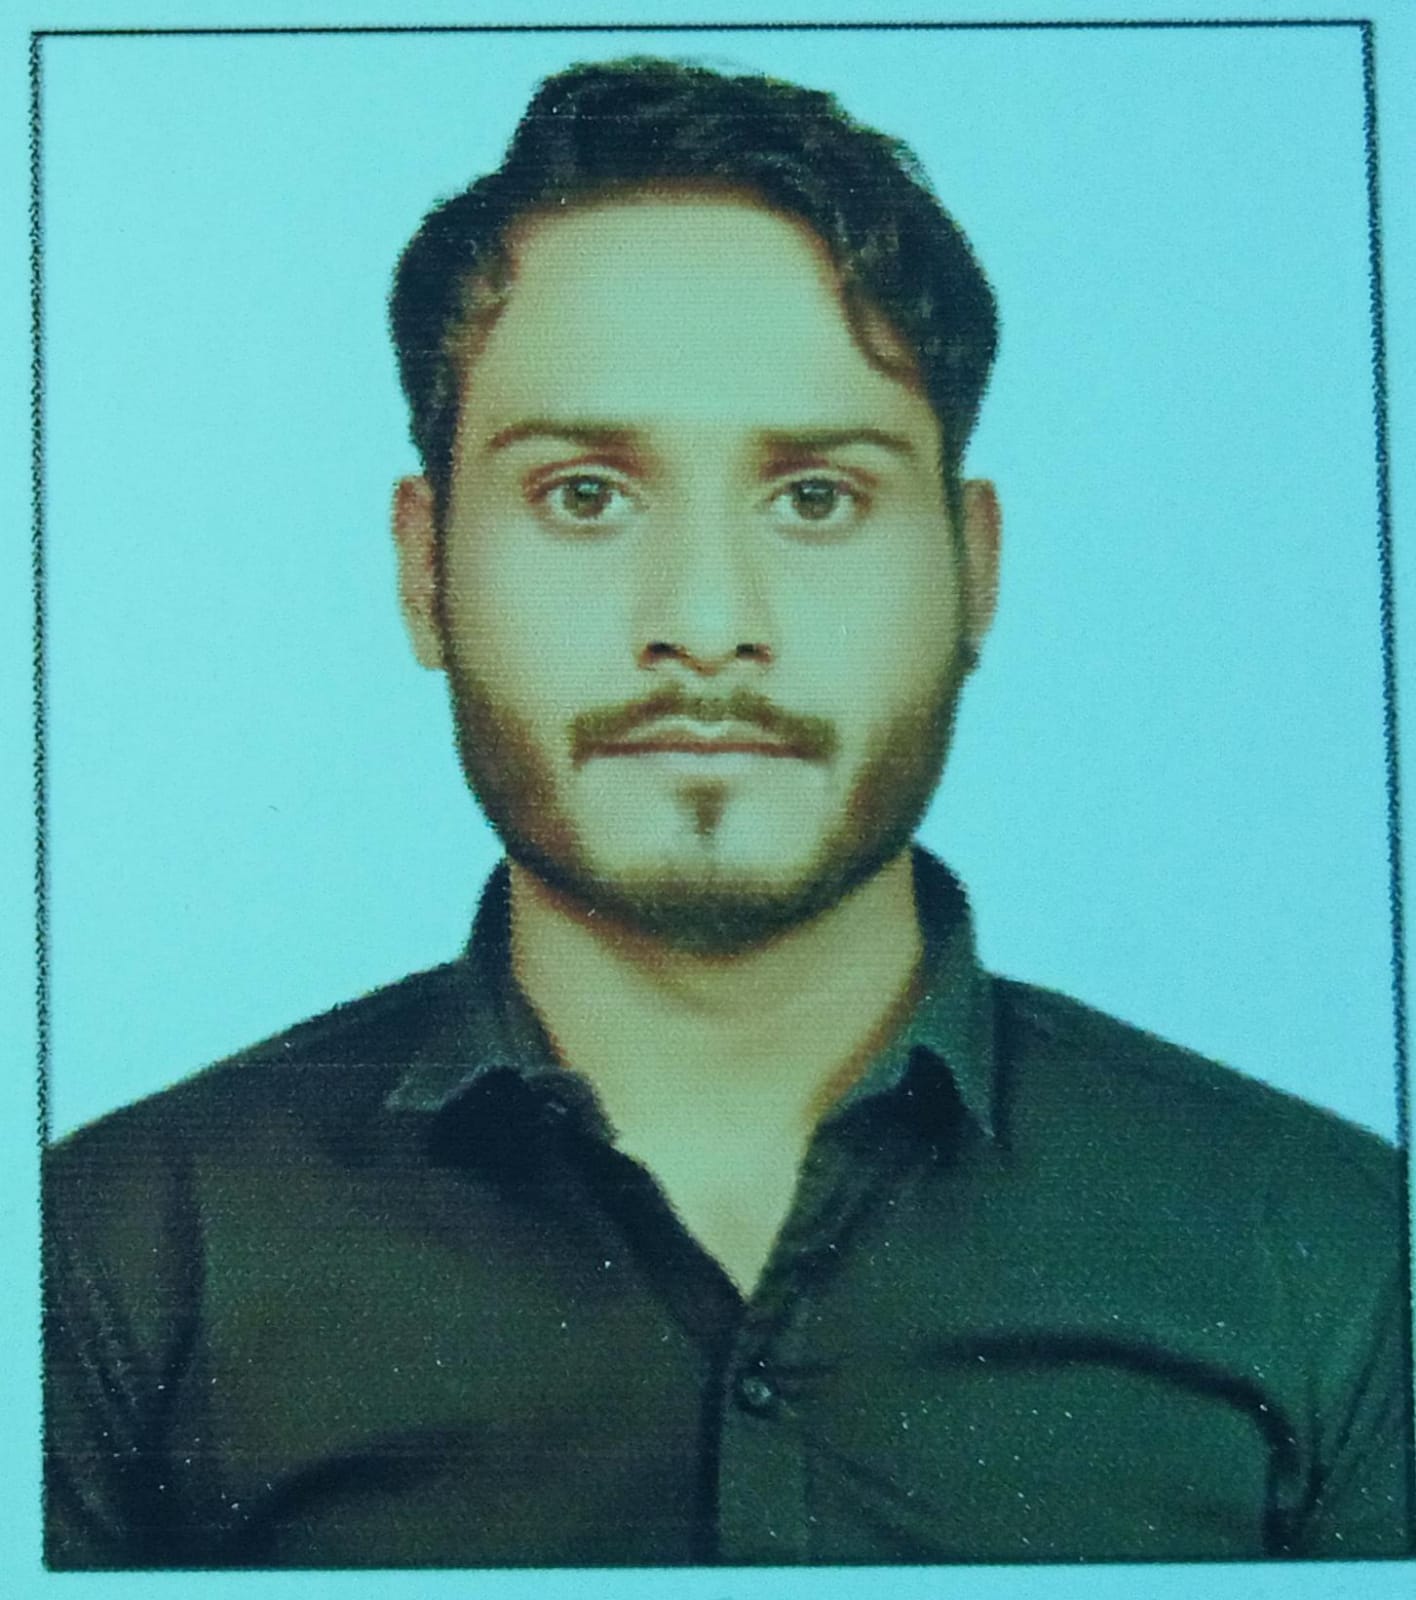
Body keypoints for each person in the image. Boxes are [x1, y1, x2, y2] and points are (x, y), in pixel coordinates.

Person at [42, 56, 1412, 1569]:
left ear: (975, 570)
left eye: (816, 497)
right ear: (424, 569)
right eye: (584, 494)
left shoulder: (1338, 1255)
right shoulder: (108, 1260)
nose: (704, 625)